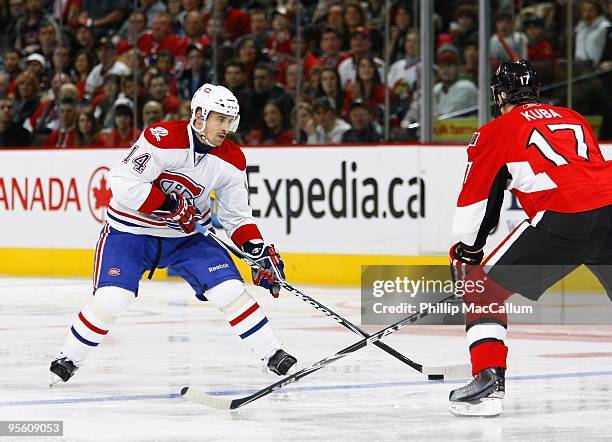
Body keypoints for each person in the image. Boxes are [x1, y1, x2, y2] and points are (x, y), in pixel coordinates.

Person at [50, 83, 297, 384]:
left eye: (230, 120)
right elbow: (122, 183)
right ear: (199, 116)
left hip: (188, 239)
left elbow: (237, 216)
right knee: (115, 297)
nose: (225, 127)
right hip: (131, 232)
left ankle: (273, 354)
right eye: (220, 118)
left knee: (229, 289)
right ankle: (69, 358)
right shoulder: (161, 138)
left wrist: (256, 249)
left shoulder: (233, 159)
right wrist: (167, 204)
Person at [448, 60, 612, 417]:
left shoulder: (495, 130)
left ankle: (488, 380)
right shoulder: (573, 116)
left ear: (500, 95)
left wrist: (467, 250)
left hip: (563, 214)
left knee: (483, 290)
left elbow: (480, 197)